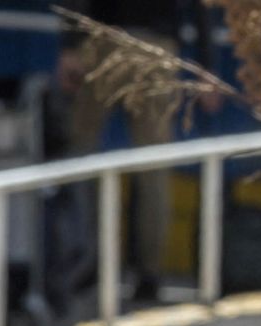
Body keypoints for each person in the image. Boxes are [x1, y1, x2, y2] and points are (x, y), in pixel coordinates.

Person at [55, 0, 220, 306]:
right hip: (154, 47)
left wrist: (70, 45)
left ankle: (89, 260)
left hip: (102, 39)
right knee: (153, 167)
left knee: (82, 156)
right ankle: (149, 274)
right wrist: (206, 66)